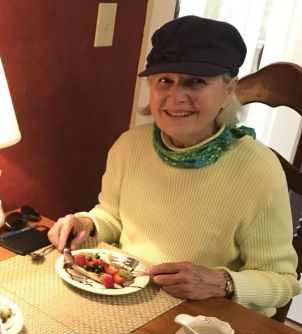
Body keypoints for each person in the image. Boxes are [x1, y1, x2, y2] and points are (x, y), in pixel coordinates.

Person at [48, 15, 300, 317]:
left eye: (196, 81)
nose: (176, 97)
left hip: (208, 325)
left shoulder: (260, 171)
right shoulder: (129, 146)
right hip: (126, 304)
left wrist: (222, 282)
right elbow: (113, 217)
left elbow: (282, 282)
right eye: (164, 80)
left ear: (228, 89)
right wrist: (86, 223)